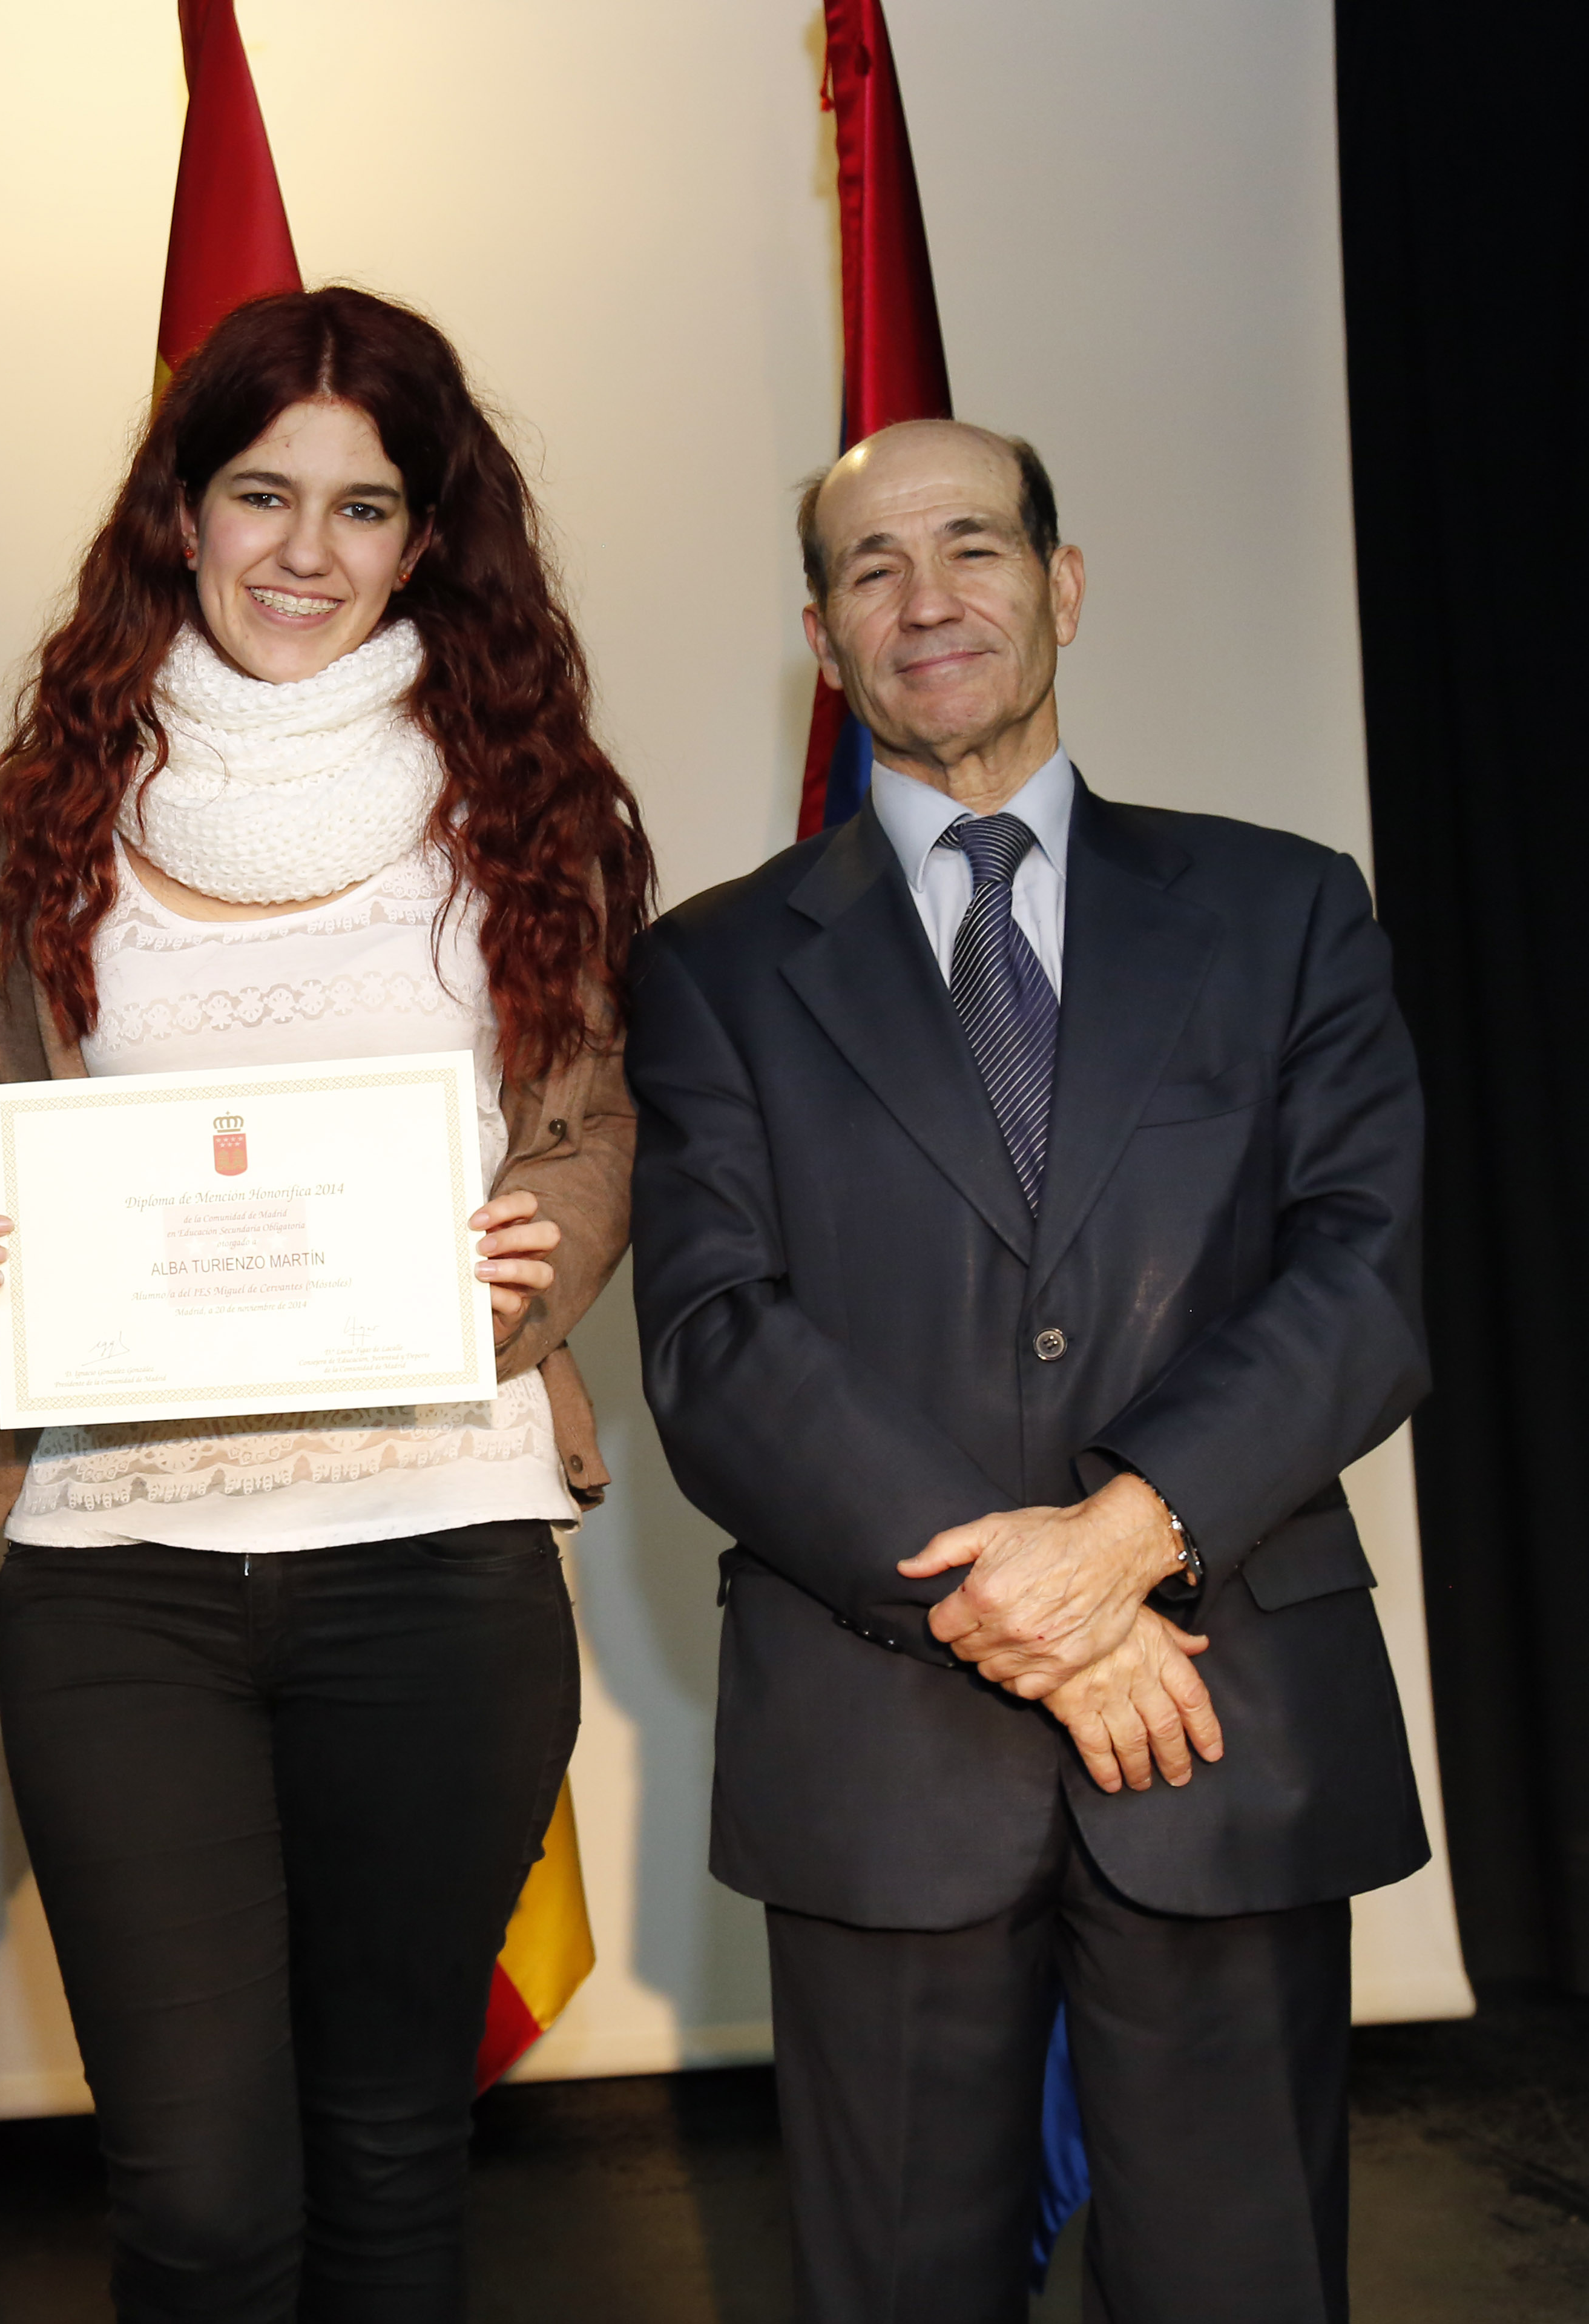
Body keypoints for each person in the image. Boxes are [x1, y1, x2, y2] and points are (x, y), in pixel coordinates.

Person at [630, 418, 1428, 2322]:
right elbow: (716, 1338)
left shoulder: (1285, 909)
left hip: (1218, 1718)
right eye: (873, 567)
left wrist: (1128, 1534)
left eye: (974, 547)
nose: (929, 599)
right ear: (822, 638)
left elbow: (1367, 1274)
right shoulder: (711, 968)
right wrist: (1047, 1609)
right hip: (884, 1754)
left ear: (1062, 586)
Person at [0, 287, 653, 2323]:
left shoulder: (527, 799)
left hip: (438, 1551)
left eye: (363, 506)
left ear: (425, 538)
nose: (304, 551)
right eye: (262, 493)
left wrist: (532, 1257)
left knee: (392, 2153)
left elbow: (589, 1127)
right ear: (182, 510)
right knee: (194, 2194)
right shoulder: (48, 800)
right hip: (119, 1571)